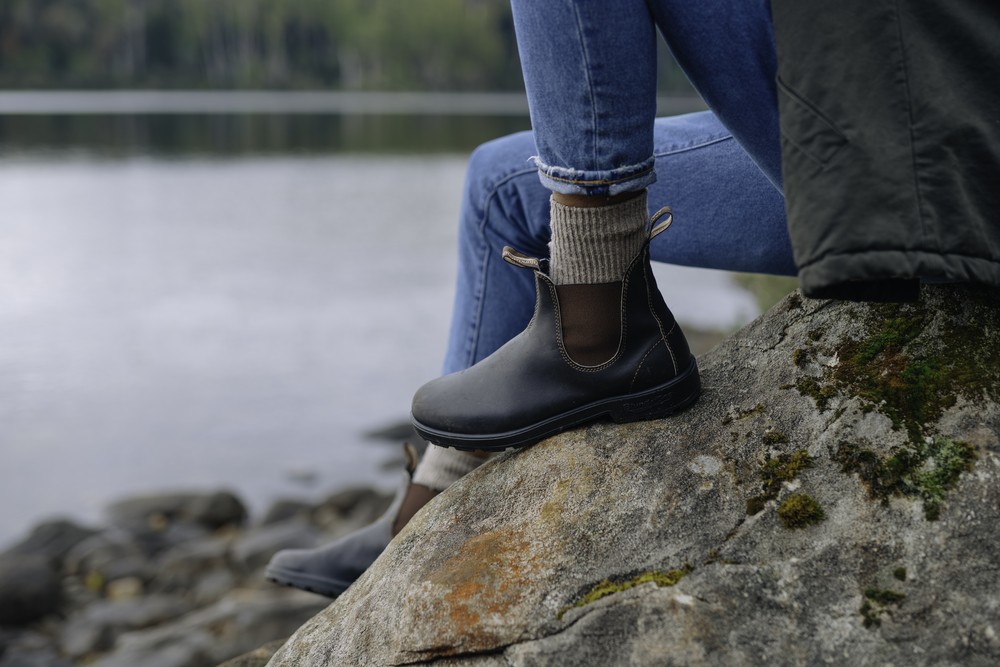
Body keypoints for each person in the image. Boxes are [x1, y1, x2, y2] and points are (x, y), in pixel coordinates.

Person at [268, 0, 1000, 598]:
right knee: (501, 181)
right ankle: (432, 497)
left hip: (933, 132)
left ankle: (597, 326)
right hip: (902, 109)